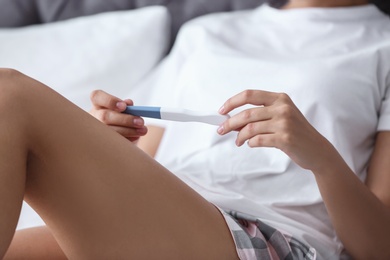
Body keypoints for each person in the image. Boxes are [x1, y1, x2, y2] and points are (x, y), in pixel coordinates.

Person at [2, 0, 390, 259]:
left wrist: (323, 160)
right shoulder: (205, 33)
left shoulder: (382, 46)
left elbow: (379, 246)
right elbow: (145, 158)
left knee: (10, 95)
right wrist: (110, 136)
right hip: (174, 211)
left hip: (274, 238)